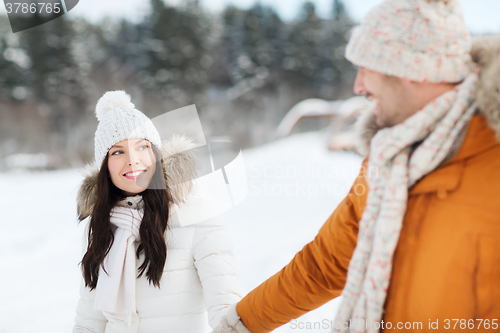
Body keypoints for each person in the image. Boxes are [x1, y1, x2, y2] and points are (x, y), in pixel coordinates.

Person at [212, 0, 500, 332]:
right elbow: (325, 265)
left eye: (368, 67)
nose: (358, 86)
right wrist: (242, 322)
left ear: (415, 69)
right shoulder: (388, 161)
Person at [73, 90, 242, 333]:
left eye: (142, 147)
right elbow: (89, 322)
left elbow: (227, 311)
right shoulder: (99, 225)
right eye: (118, 152)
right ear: (105, 167)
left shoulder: (198, 214)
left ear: (156, 154)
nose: (132, 160)